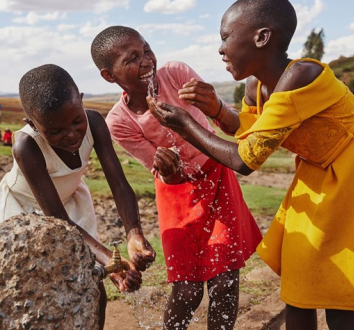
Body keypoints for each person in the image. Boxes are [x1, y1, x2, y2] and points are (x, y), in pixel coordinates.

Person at [148, 0, 354, 329]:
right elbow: (248, 131)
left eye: (226, 36)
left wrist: (187, 125)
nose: (220, 48)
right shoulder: (255, 86)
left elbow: (245, 159)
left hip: (347, 180)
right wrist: (215, 108)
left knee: (341, 287)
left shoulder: (301, 75)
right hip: (318, 178)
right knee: (299, 282)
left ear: (261, 38)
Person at [91, 26, 262, 330]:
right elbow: (166, 175)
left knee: (225, 279)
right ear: (110, 76)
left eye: (147, 50)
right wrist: (169, 170)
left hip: (216, 175)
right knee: (188, 287)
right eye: (132, 58)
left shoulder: (175, 74)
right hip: (177, 195)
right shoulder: (119, 121)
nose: (147, 61)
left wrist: (215, 107)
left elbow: (226, 125)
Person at [0, 64, 155, 330]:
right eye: (54, 131)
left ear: (81, 101)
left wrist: (133, 233)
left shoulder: (95, 123)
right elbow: (55, 218)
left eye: (77, 120)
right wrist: (108, 259)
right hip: (25, 213)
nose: (71, 134)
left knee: (92, 283)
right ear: (32, 123)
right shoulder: (26, 145)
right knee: (33, 290)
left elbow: (120, 185)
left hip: (69, 203)